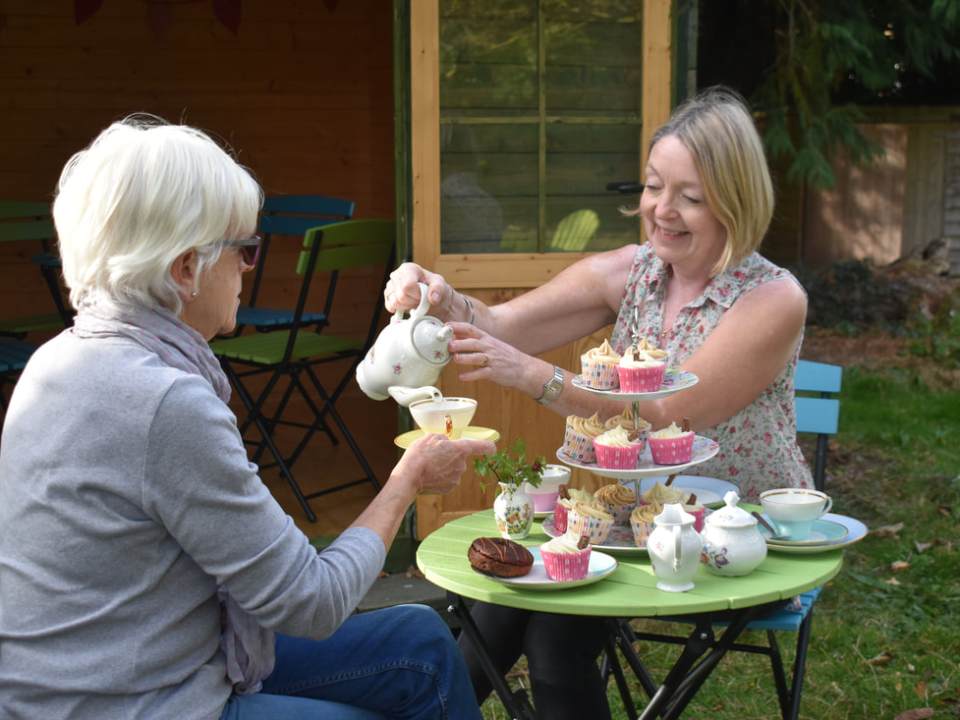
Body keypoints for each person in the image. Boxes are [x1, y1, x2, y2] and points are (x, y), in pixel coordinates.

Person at [0, 117, 495, 720]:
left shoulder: (58, 359)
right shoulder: (163, 402)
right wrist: (407, 481)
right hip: (127, 702)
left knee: (419, 640)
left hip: (94, 672)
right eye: (246, 249)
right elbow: (311, 601)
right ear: (186, 269)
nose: (250, 268)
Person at [383, 87, 813, 718]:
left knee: (553, 637)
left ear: (735, 200)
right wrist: (442, 298)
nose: (662, 210)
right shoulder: (633, 272)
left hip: (736, 538)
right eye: (652, 186)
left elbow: (668, 417)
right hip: (631, 530)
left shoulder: (773, 298)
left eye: (690, 197)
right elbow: (502, 324)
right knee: (501, 606)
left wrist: (536, 380)